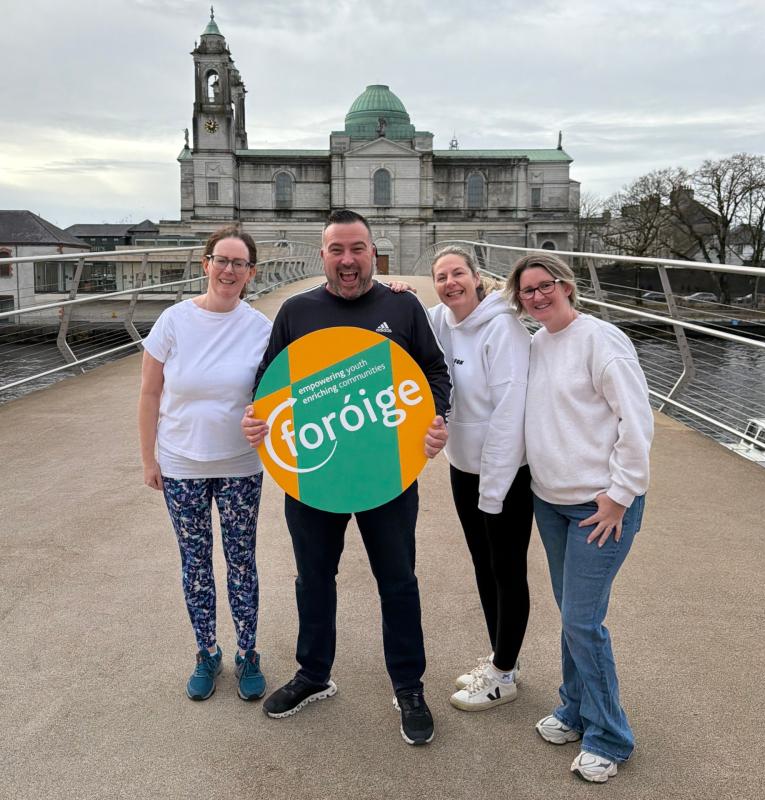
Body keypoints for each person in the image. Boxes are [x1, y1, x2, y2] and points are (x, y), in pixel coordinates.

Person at [242, 209, 451, 745]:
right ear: (323, 256)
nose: (348, 260)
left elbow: (433, 371)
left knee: (398, 581)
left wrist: (435, 417)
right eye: (337, 250)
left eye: (357, 248)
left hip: (388, 471)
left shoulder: (402, 306)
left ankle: (408, 685)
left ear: (372, 251)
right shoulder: (295, 310)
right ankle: (314, 674)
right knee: (313, 579)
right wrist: (257, 420)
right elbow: (268, 385)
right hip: (316, 475)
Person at [507, 252, 653, 783]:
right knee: (571, 611)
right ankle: (573, 707)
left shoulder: (601, 340)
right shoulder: (536, 344)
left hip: (600, 506)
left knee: (582, 622)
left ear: (566, 286)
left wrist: (620, 494)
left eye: (546, 286)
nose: (538, 296)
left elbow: (636, 422)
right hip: (550, 500)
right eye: (527, 291)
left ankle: (610, 736)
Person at [138, 224, 272, 702]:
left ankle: (248, 653)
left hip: (239, 464)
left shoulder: (260, 328)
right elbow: (150, 392)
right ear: (205, 264)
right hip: (181, 464)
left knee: (241, 562)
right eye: (222, 260)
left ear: (251, 272)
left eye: (239, 263)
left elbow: (281, 392)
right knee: (195, 564)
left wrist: (389, 288)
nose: (229, 270)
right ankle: (206, 651)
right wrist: (148, 457)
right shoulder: (173, 321)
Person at [426, 246, 533, 712]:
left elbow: (511, 413)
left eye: (458, 274)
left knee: (507, 570)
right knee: (483, 566)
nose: (451, 283)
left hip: (505, 472)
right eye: (441, 277)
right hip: (463, 467)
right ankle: (499, 662)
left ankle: (503, 675)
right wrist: (390, 290)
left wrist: (494, 488)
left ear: (477, 278)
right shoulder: (443, 321)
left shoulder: (503, 327)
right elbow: (405, 317)